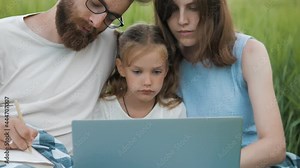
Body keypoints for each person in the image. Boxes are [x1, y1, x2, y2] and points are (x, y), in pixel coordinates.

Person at [153, 0, 300, 167]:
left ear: (214, 9)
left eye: (193, 8)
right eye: (172, 9)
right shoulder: (157, 63)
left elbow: (274, 147)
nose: (182, 20)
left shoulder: (249, 52)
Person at [0, 0, 151, 154]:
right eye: (95, 4)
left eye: (111, 18)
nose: (97, 22)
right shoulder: (5, 36)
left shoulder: (113, 46)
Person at [96, 23, 186, 119]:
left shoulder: (173, 111)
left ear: (166, 70)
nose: (147, 82)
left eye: (156, 72)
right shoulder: (104, 108)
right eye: (137, 72)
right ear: (121, 68)